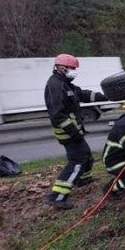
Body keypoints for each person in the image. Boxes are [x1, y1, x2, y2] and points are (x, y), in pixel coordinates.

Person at [44, 53, 109, 209]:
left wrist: (106, 96)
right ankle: (57, 197)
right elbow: (57, 115)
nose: (74, 71)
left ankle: (83, 180)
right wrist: (74, 132)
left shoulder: (65, 83)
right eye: (72, 68)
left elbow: (82, 95)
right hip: (69, 133)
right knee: (77, 161)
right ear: (61, 67)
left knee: (86, 156)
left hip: (74, 131)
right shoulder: (56, 85)